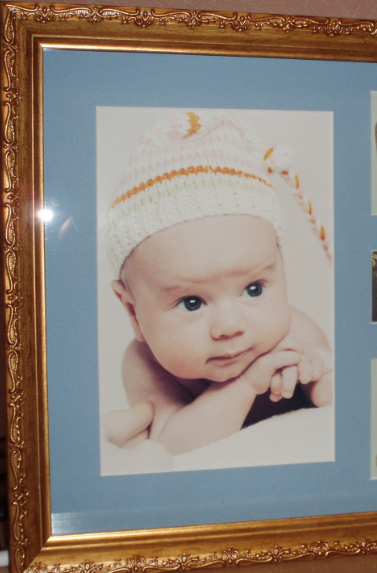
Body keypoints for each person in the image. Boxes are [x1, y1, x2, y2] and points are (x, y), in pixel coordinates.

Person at [101, 111, 333, 456]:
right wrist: (245, 385)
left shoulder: (295, 332)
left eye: (254, 289)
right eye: (192, 302)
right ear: (133, 312)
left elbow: (337, 409)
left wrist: (321, 374)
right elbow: (170, 446)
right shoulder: (145, 363)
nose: (229, 326)